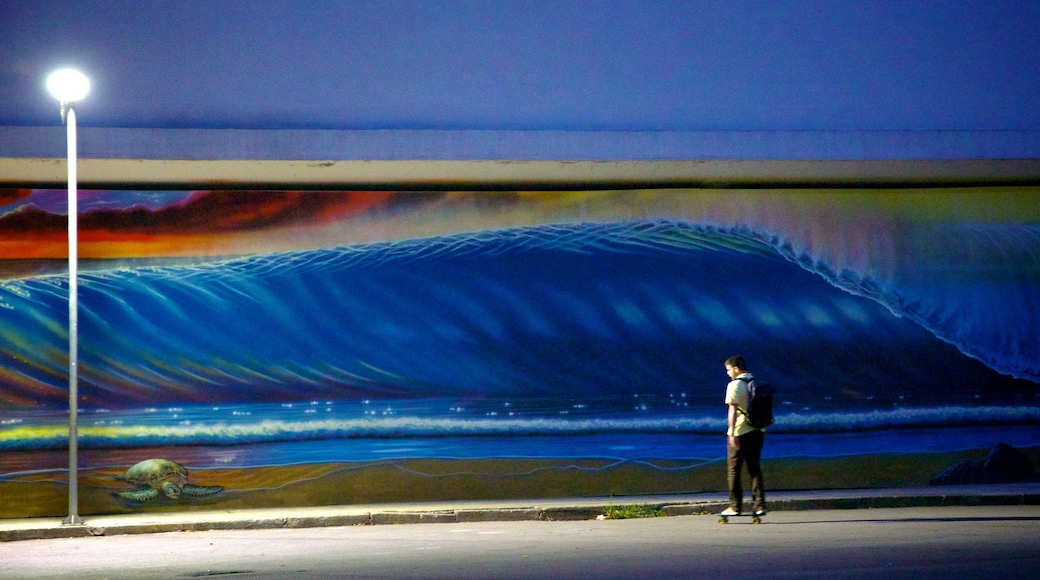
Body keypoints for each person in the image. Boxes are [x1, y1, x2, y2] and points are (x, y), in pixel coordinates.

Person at [721, 355, 766, 516]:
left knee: (734, 470)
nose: (727, 373)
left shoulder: (734, 385)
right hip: (758, 431)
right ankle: (759, 506)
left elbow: (732, 410)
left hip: (740, 432)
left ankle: (735, 507)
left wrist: (732, 433)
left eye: (728, 369)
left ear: (736, 368)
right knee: (754, 469)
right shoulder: (755, 382)